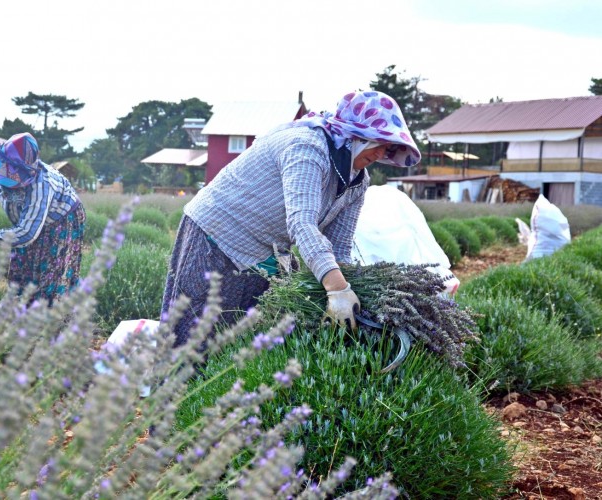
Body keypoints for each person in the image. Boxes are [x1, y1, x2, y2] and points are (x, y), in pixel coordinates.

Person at [162, 91, 421, 347]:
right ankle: (174, 389)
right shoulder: (307, 148)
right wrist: (336, 289)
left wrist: (349, 288)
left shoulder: (357, 180)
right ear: (356, 136)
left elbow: (339, 245)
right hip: (216, 235)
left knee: (243, 340)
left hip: (266, 251)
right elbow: (301, 223)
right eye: (378, 143)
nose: (380, 154)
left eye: (387, 148)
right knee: (195, 338)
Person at [0, 132, 86, 306]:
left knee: (50, 274)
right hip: (28, 222)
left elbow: (26, 233)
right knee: (22, 269)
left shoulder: (41, 185)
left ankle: (51, 318)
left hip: (62, 220)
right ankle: (21, 309)